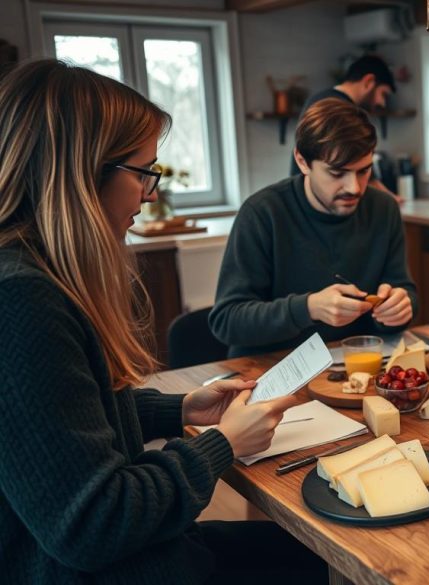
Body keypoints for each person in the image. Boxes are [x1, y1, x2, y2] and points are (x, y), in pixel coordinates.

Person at [0, 60, 326, 584]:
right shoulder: (20, 303)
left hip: (149, 553)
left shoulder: (36, 276)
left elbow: (71, 417)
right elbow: (91, 522)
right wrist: (220, 446)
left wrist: (177, 409)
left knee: (318, 557)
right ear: (82, 174)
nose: (151, 194)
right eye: (143, 172)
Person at [211, 98, 418, 358]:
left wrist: (400, 308)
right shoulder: (262, 213)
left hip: (354, 366)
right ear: (302, 160)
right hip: (270, 371)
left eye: (364, 171)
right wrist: (307, 308)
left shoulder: (384, 209)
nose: (354, 187)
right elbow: (227, 321)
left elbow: (403, 289)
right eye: (336, 173)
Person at [288, 54, 398, 199]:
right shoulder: (338, 108)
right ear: (368, 82)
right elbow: (348, 160)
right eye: (383, 94)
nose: (382, 103)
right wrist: (389, 199)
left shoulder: (323, 98)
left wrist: (387, 200)